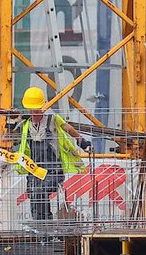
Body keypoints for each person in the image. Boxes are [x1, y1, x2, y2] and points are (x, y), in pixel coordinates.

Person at [13, 86, 90, 221]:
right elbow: (7, 139)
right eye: (32, 109)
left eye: (37, 109)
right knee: (33, 194)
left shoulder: (53, 120)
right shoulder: (25, 125)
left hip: (53, 170)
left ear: (42, 107)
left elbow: (68, 128)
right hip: (34, 170)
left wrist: (81, 141)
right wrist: (11, 121)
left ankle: (46, 224)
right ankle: (40, 228)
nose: (35, 112)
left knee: (41, 191)